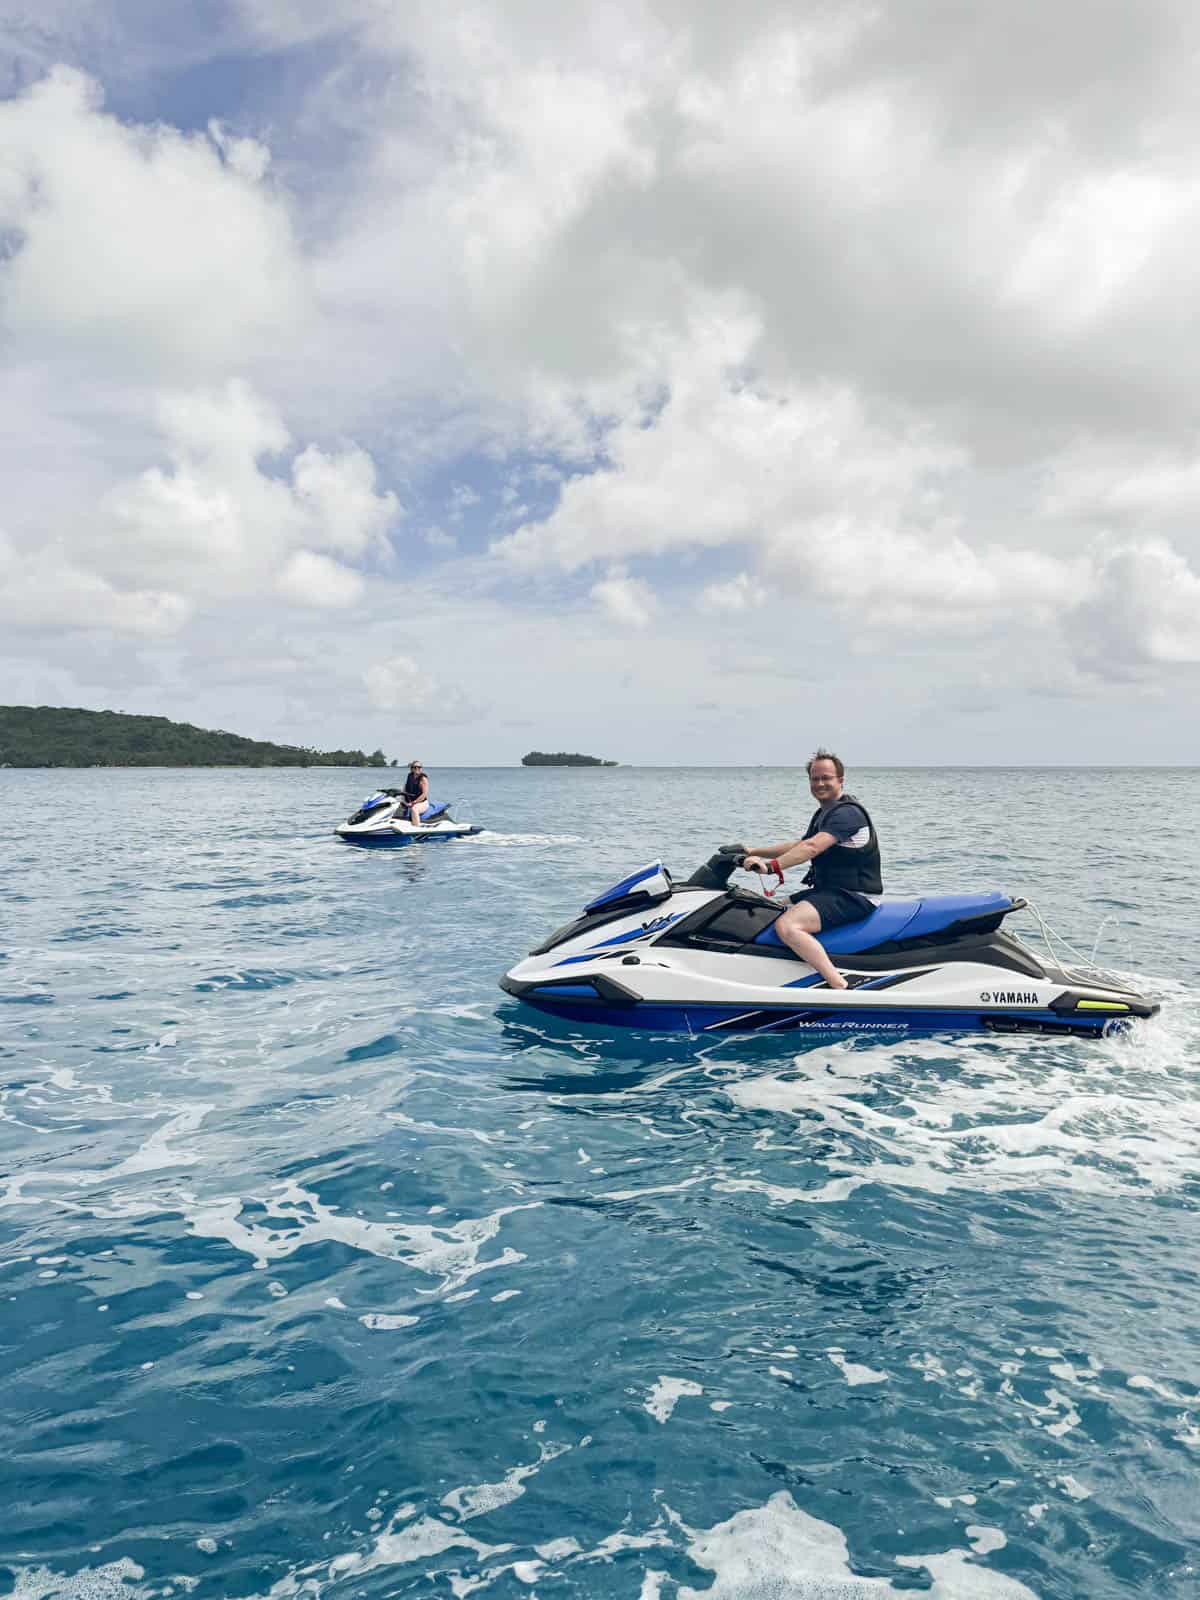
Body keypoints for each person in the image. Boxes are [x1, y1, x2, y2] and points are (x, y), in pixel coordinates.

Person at [741, 749, 882, 990]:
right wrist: (753, 851)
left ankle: (839, 985)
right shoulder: (825, 813)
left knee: (787, 926)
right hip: (831, 891)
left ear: (840, 780)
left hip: (855, 896)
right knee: (769, 909)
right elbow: (799, 844)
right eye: (815, 778)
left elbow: (812, 847)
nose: (820, 783)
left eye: (826, 777)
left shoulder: (848, 813)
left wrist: (770, 868)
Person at [402, 759, 430, 826]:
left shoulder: (423, 779)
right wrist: (402, 799)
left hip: (422, 803)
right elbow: (405, 788)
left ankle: (417, 829)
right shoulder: (410, 776)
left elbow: (424, 794)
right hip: (410, 802)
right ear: (412, 768)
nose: (417, 768)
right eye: (415, 767)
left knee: (414, 809)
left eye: (419, 767)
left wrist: (414, 802)